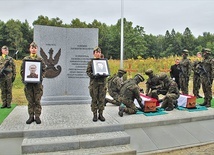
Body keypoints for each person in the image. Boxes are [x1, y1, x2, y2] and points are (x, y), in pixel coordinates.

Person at [20, 42, 46, 124]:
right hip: (29, 85)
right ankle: (31, 116)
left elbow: (44, 70)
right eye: (32, 48)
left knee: (37, 100)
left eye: (35, 48)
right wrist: (25, 79)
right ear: (29, 49)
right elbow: (22, 71)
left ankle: (37, 116)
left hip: (37, 85)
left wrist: (41, 77)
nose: (33, 49)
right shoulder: (25, 59)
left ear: (37, 49)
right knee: (30, 101)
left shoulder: (40, 60)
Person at [86, 46, 108, 122]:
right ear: (94, 53)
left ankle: (101, 114)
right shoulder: (91, 62)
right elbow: (88, 72)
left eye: (99, 52)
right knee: (94, 99)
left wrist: (106, 74)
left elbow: (107, 71)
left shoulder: (104, 62)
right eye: (96, 52)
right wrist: (93, 75)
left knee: (101, 99)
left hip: (102, 83)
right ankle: (95, 114)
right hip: (94, 84)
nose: (98, 54)